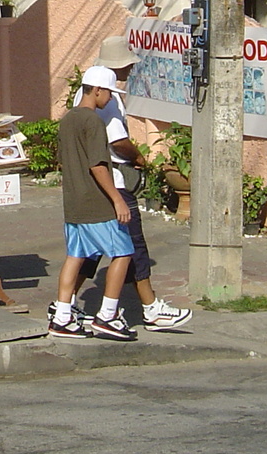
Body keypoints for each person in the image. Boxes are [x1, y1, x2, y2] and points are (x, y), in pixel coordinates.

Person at [70, 40, 193, 331]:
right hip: (113, 180)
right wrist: (138, 158)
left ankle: (66, 304)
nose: (131, 67)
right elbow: (116, 143)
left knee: (90, 249)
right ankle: (146, 309)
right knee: (131, 244)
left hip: (91, 184)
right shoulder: (107, 99)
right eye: (127, 64)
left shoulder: (85, 92)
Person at [47, 66, 138, 341]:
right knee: (123, 252)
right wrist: (118, 199)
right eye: (109, 92)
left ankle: (62, 316)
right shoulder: (93, 122)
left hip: (73, 202)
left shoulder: (68, 119)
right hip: (95, 204)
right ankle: (108, 315)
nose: (110, 98)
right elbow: (98, 166)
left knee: (75, 256)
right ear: (97, 90)